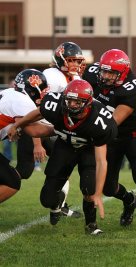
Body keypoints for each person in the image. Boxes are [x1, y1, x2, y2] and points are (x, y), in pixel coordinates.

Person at [8, 80, 118, 234]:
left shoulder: (99, 120)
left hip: (88, 149)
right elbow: (39, 112)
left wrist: (98, 193)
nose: (71, 104)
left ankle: (91, 224)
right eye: (69, 100)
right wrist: (17, 125)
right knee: (46, 199)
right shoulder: (57, 104)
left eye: (77, 102)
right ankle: (57, 202)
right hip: (65, 146)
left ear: (87, 103)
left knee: (89, 189)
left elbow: (101, 161)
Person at [82, 49, 136, 231]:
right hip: (110, 136)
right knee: (108, 188)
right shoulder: (92, 72)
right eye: (103, 71)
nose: (104, 76)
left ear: (123, 72)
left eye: (111, 73)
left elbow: (112, 123)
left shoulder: (132, 88)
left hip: (131, 135)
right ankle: (129, 200)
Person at [40, 41, 86, 218]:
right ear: (60, 59)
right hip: (41, 127)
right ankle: (58, 205)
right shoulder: (51, 75)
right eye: (71, 60)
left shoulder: (74, 78)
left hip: (56, 130)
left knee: (63, 167)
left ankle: (58, 206)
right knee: (23, 170)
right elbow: (44, 107)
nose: (75, 64)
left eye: (77, 60)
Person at [0, 72, 54, 204]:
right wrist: (61, 128)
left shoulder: (10, 92)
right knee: (11, 181)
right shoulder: (22, 100)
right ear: (31, 88)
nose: (43, 93)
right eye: (41, 89)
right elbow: (34, 130)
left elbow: (23, 120)